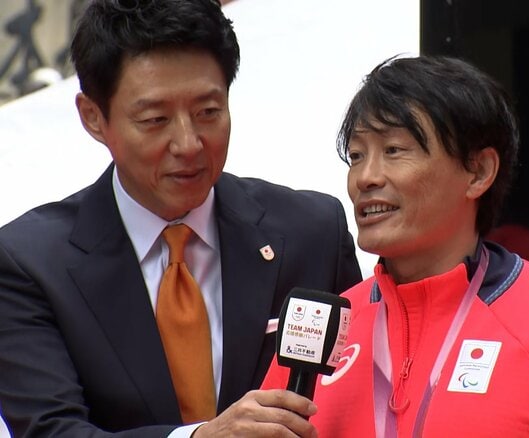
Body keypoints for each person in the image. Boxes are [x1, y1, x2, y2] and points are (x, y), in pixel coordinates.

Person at [0, 0, 362, 436]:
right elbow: (51, 430)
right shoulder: (30, 264)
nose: (189, 144)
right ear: (93, 118)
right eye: (155, 119)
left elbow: (362, 395)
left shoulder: (312, 232)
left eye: (208, 112)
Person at [262, 55, 529, 436]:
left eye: (393, 150)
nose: (365, 177)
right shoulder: (320, 331)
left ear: (478, 172)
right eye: (356, 155)